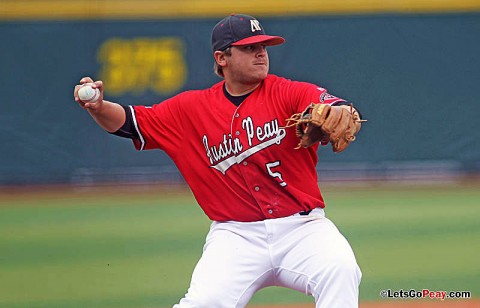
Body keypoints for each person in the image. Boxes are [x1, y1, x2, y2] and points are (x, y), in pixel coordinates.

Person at [74, 13, 363, 308]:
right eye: (249, 48)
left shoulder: (287, 91)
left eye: (263, 46)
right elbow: (130, 123)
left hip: (303, 229)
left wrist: (338, 108)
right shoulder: (190, 109)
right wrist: (98, 107)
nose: (261, 52)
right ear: (222, 57)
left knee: (339, 269)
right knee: (203, 302)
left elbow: (330, 103)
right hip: (235, 236)